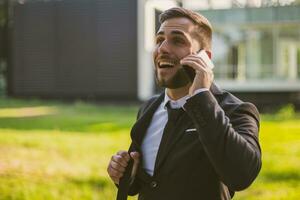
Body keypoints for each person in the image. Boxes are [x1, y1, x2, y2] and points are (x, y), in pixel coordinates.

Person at [107, 7, 262, 200]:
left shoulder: (236, 110)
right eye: (159, 40)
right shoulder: (149, 108)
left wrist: (201, 95)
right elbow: (145, 182)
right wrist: (126, 175)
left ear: (204, 58)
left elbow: (242, 175)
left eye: (178, 40)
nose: (162, 48)